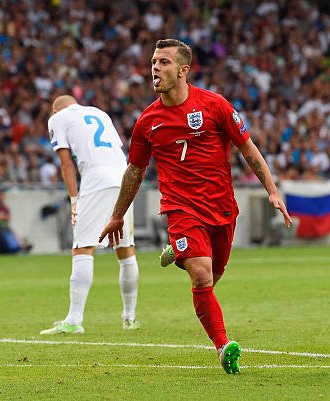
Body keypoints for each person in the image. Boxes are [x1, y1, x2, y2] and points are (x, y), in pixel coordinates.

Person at [99, 39, 292, 374]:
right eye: (153, 62)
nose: (155, 68)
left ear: (183, 70)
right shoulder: (148, 122)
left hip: (222, 208)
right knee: (201, 275)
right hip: (180, 207)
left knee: (212, 278)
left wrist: (272, 191)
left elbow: (247, 148)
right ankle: (223, 347)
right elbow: (134, 171)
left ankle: (180, 249)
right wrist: (117, 215)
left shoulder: (215, 106)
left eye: (163, 62)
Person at [40, 94, 140, 335]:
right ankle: (130, 317)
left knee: (82, 247)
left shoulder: (57, 119)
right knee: (125, 249)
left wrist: (74, 199)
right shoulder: (99, 112)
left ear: (56, 111)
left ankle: (74, 320)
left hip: (97, 181)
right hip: (123, 176)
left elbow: (66, 164)